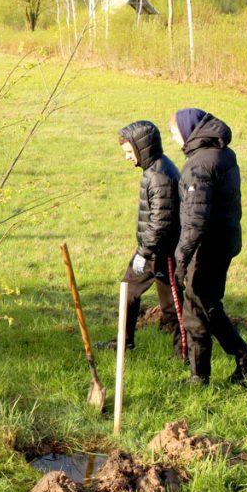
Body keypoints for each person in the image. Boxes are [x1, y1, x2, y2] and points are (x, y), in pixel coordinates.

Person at [171, 108, 247, 386]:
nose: (175, 140)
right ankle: (246, 361)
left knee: (196, 308)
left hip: (206, 247)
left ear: (189, 131)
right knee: (210, 304)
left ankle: (199, 377)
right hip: (225, 242)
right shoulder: (224, 153)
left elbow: (194, 221)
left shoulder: (199, 164)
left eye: (175, 133)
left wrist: (181, 257)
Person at [96, 121, 183, 358]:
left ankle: (183, 354)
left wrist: (144, 254)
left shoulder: (159, 176)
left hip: (163, 252)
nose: (126, 158)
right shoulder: (153, 170)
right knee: (129, 289)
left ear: (142, 147)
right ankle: (124, 342)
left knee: (173, 306)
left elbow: (161, 223)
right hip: (151, 249)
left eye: (128, 152)